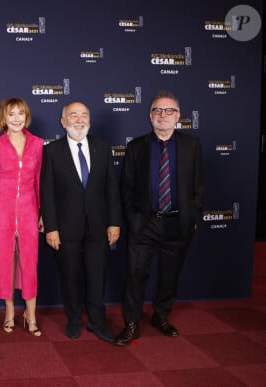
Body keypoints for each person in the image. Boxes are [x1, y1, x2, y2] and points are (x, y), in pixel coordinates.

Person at [115, 90, 204, 346]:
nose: (162, 115)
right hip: (145, 224)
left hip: (178, 224)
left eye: (168, 111)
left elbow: (199, 186)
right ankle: (132, 323)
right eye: (157, 110)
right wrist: (134, 221)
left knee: (170, 275)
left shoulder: (191, 145)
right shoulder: (136, 147)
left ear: (178, 116)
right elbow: (126, 188)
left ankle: (161, 316)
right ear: (149, 114)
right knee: (135, 275)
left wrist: (193, 217)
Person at [40, 102, 122, 343]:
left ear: (90, 120)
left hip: (99, 227)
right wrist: (51, 227)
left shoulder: (102, 147)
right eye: (73, 115)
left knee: (97, 277)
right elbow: (48, 192)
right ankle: (74, 319)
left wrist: (114, 222)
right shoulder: (52, 151)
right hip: (65, 229)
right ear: (63, 122)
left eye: (84, 115)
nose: (79, 120)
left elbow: (112, 189)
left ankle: (97, 323)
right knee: (70, 277)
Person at [0, 98, 44, 336]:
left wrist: (42, 213)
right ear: (3, 118)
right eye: (11, 114)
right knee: (5, 262)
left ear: (26, 116)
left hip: (29, 210)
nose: (16, 118)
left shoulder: (37, 144)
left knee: (29, 263)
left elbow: (39, 181)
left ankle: (31, 314)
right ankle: (9, 312)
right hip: (0, 212)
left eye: (20, 113)